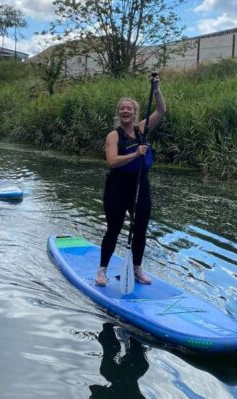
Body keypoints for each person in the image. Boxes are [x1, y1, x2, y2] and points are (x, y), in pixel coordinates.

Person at [96, 74, 166, 286]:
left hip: (140, 188)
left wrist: (156, 90)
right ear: (119, 113)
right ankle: (102, 270)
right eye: (122, 109)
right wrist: (135, 154)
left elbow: (162, 111)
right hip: (117, 188)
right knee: (114, 229)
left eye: (130, 109)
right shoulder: (113, 136)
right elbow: (112, 161)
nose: (125, 111)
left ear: (135, 113)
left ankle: (136, 269)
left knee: (141, 230)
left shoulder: (142, 129)